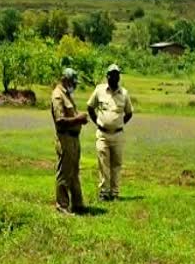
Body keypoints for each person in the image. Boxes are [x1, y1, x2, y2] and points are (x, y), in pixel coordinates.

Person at [87, 63, 134, 201]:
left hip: (118, 135)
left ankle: (114, 192)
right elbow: (90, 107)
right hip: (102, 134)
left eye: (117, 75)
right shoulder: (99, 90)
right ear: (107, 76)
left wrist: (118, 124)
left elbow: (129, 113)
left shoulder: (124, 93)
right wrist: (99, 122)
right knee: (103, 163)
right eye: (112, 75)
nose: (115, 77)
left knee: (116, 164)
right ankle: (104, 192)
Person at [50, 67, 88, 215]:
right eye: (73, 81)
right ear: (65, 79)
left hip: (73, 139)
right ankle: (62, 206)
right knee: (64, 173)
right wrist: (78, 119)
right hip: (65, 138)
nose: (75, 85)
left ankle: (78, 204)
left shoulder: (67, 94)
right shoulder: (58, 95)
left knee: (73, 172)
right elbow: (59, 121)